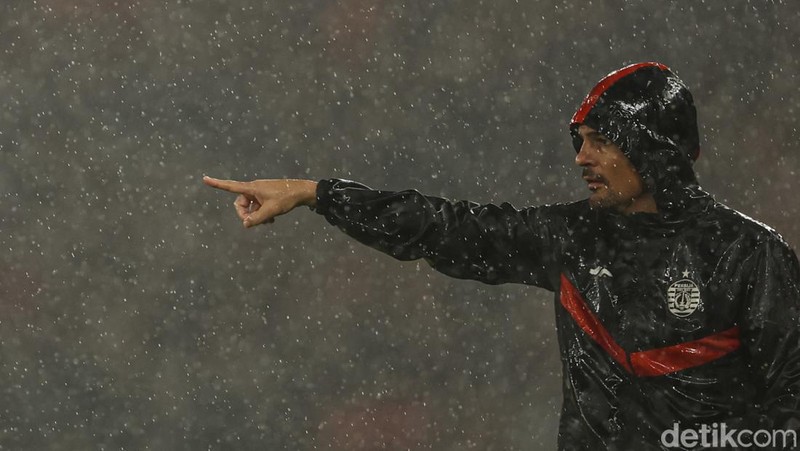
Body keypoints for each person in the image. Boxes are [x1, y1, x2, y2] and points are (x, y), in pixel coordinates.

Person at [203, 62, 800, 450]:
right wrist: (318, 194)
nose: (581, 159)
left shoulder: (753, 257)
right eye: (579, 142)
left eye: (600, 141)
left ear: (654, 150)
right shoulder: (573, 238)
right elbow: (441, 228)